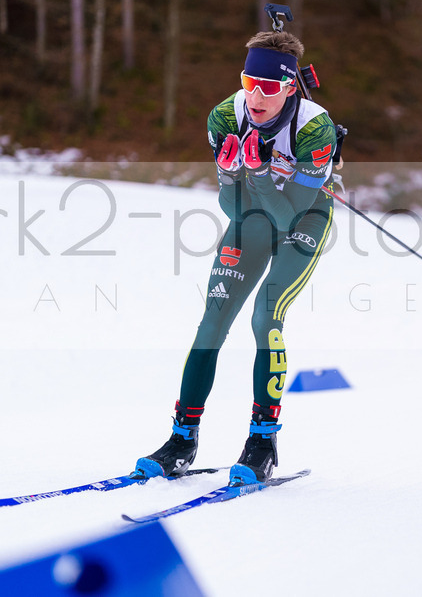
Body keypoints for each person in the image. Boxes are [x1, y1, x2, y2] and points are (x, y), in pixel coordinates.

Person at [134, 30, 338, 485]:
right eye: (249, 82)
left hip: (303, 218)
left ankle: (262, 442)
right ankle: (181, 440)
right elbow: (235, 211)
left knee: (265, 318)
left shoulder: (314, 127)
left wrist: (262, 175)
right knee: (212, 322)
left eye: (269, 87)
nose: (256, 96)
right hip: (252, 215)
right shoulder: (226, 116)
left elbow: (289, 216)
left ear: (289, 87)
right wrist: (230, 176)